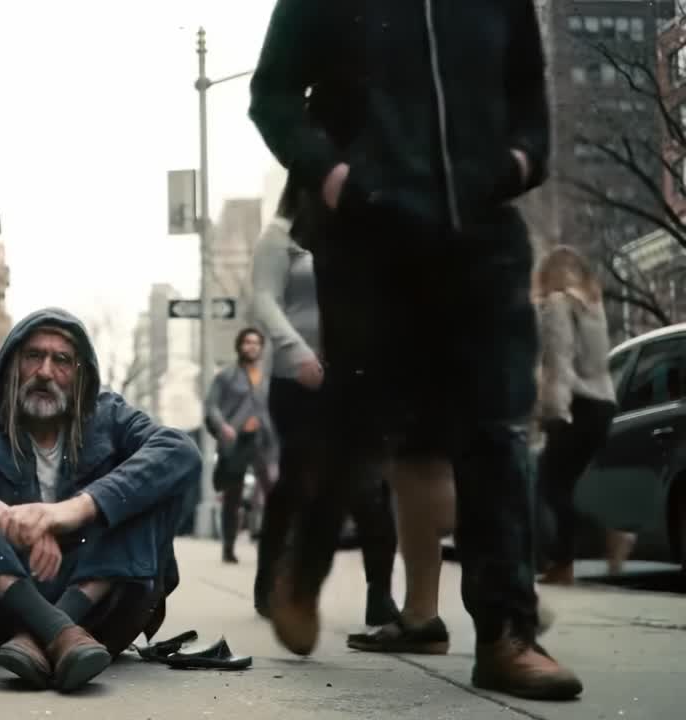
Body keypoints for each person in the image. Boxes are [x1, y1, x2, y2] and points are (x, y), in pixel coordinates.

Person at [250, 0, 583, 700]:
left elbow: (528, 92)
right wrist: (336, 178)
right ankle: (301, 571)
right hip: (373, 234)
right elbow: (271, 95)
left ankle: (507, 635)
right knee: (357, 422)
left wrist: (517, 160)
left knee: (496, 427)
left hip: (481, 235)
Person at [0, 308, 199, 693]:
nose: (46, 372)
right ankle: (56, 630)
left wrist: (68, 512)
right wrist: (5, 516)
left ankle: (52, 629)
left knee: (155, 487)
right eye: (34, 356)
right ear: (13, 364)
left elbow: (181, 451)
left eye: (61, 360)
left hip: (98, 615)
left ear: (80, 372)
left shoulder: (109, 415)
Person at [248, 180, 400, 627]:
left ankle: (381, 594)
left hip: (352, 374)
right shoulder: (279, 238)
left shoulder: (355, 239)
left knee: (372, 482)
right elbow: (265, 301)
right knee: (299, 478)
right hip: (297, 378)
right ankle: (270, 580)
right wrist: (297, 353)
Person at [534, 246, 625, 584]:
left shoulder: (558, 304)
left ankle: (587, 549)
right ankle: (570, 559)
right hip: (603, 405)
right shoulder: (592, 306)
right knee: (562, 486)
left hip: (577, 404)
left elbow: (559, 360)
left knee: (548, 484)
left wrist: (553, 411)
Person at [204, 327, 278, 564]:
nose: (252, 346)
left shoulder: (267, 377)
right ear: (240, 346)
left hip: (263, 441)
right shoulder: (226, 376)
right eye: (247, 342)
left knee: (275, 492)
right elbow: (212, 406)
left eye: (256, 343)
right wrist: (222, 425)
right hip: (236, 441)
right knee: (232, 497)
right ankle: (228, 547)